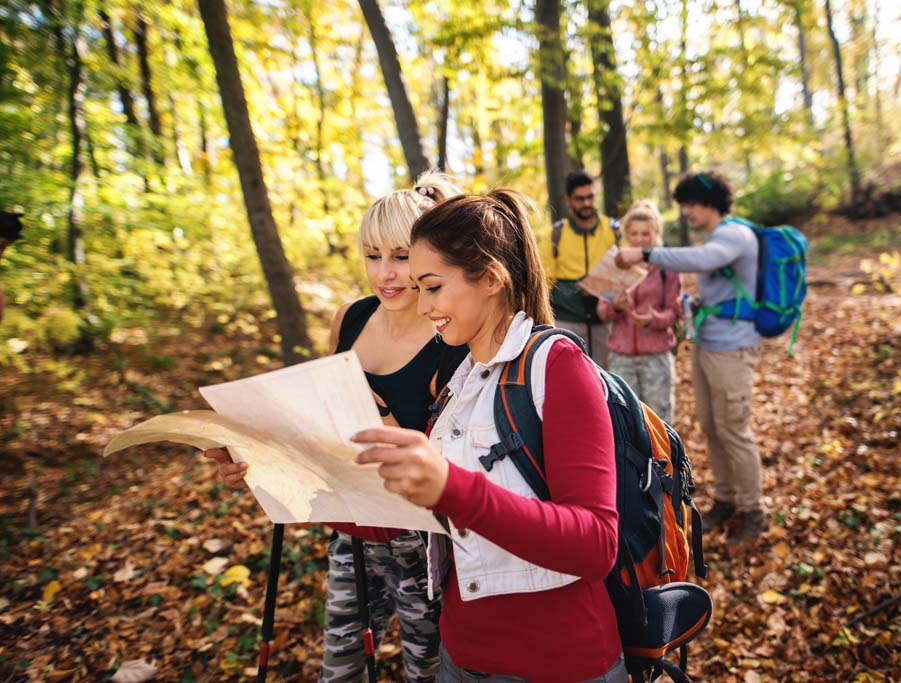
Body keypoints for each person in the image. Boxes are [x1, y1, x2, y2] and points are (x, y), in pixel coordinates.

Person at [345, 188, 627, 682]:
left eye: (432, 286)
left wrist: (453, 487)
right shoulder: (461, 383)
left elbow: (596, 543)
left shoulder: (557, 367)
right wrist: (280, 477)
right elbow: (415, 521)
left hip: (559, 663)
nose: (422, 302)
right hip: (461, 660)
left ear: (491, 278)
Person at [205, 172, 468, 682]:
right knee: (339, 669)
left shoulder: (449, 332)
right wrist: (257, 463)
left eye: (400, 256)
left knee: (427, 670)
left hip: (421, 540)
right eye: (373, 256)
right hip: (351, 530)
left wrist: (382, 419)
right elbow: (321, 436)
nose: (386, 274)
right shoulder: (350, 318)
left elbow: (455, 456)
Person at [615, 171, 767, 544]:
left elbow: (704, 260)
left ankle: (754, 510)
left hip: (733, 348)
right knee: (713, 427)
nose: (686, 213)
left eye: (689, 204)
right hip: (709, 345)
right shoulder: (716, 237)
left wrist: (646, 253)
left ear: (708, 202)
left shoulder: (733, 234)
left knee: (734, 428)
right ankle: (726, 499)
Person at [596, 200, 681, 423]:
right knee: (625, 422)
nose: (640, 239)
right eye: (634, 233)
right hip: (621, 358)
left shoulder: (666, 266)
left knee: (659, 421)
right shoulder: (614, 264)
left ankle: (664, 459)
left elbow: (675, 312)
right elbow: (602, 312)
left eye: (646, 234)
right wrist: (616, 306)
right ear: (626, 235)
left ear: (656, 234)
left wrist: (655, 319)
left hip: (656, 357)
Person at [539, 170, 619, 368]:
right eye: (579, 199)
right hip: (567, 321)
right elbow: (543, 282)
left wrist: (600, 289)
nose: (586, 203)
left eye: (590, 197)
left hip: (605, 322)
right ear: (568, 200)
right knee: (569, 375)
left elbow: (626, 273)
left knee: (606, 380)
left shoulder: (613, 231)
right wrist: (575, 291)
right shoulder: (556, 234)